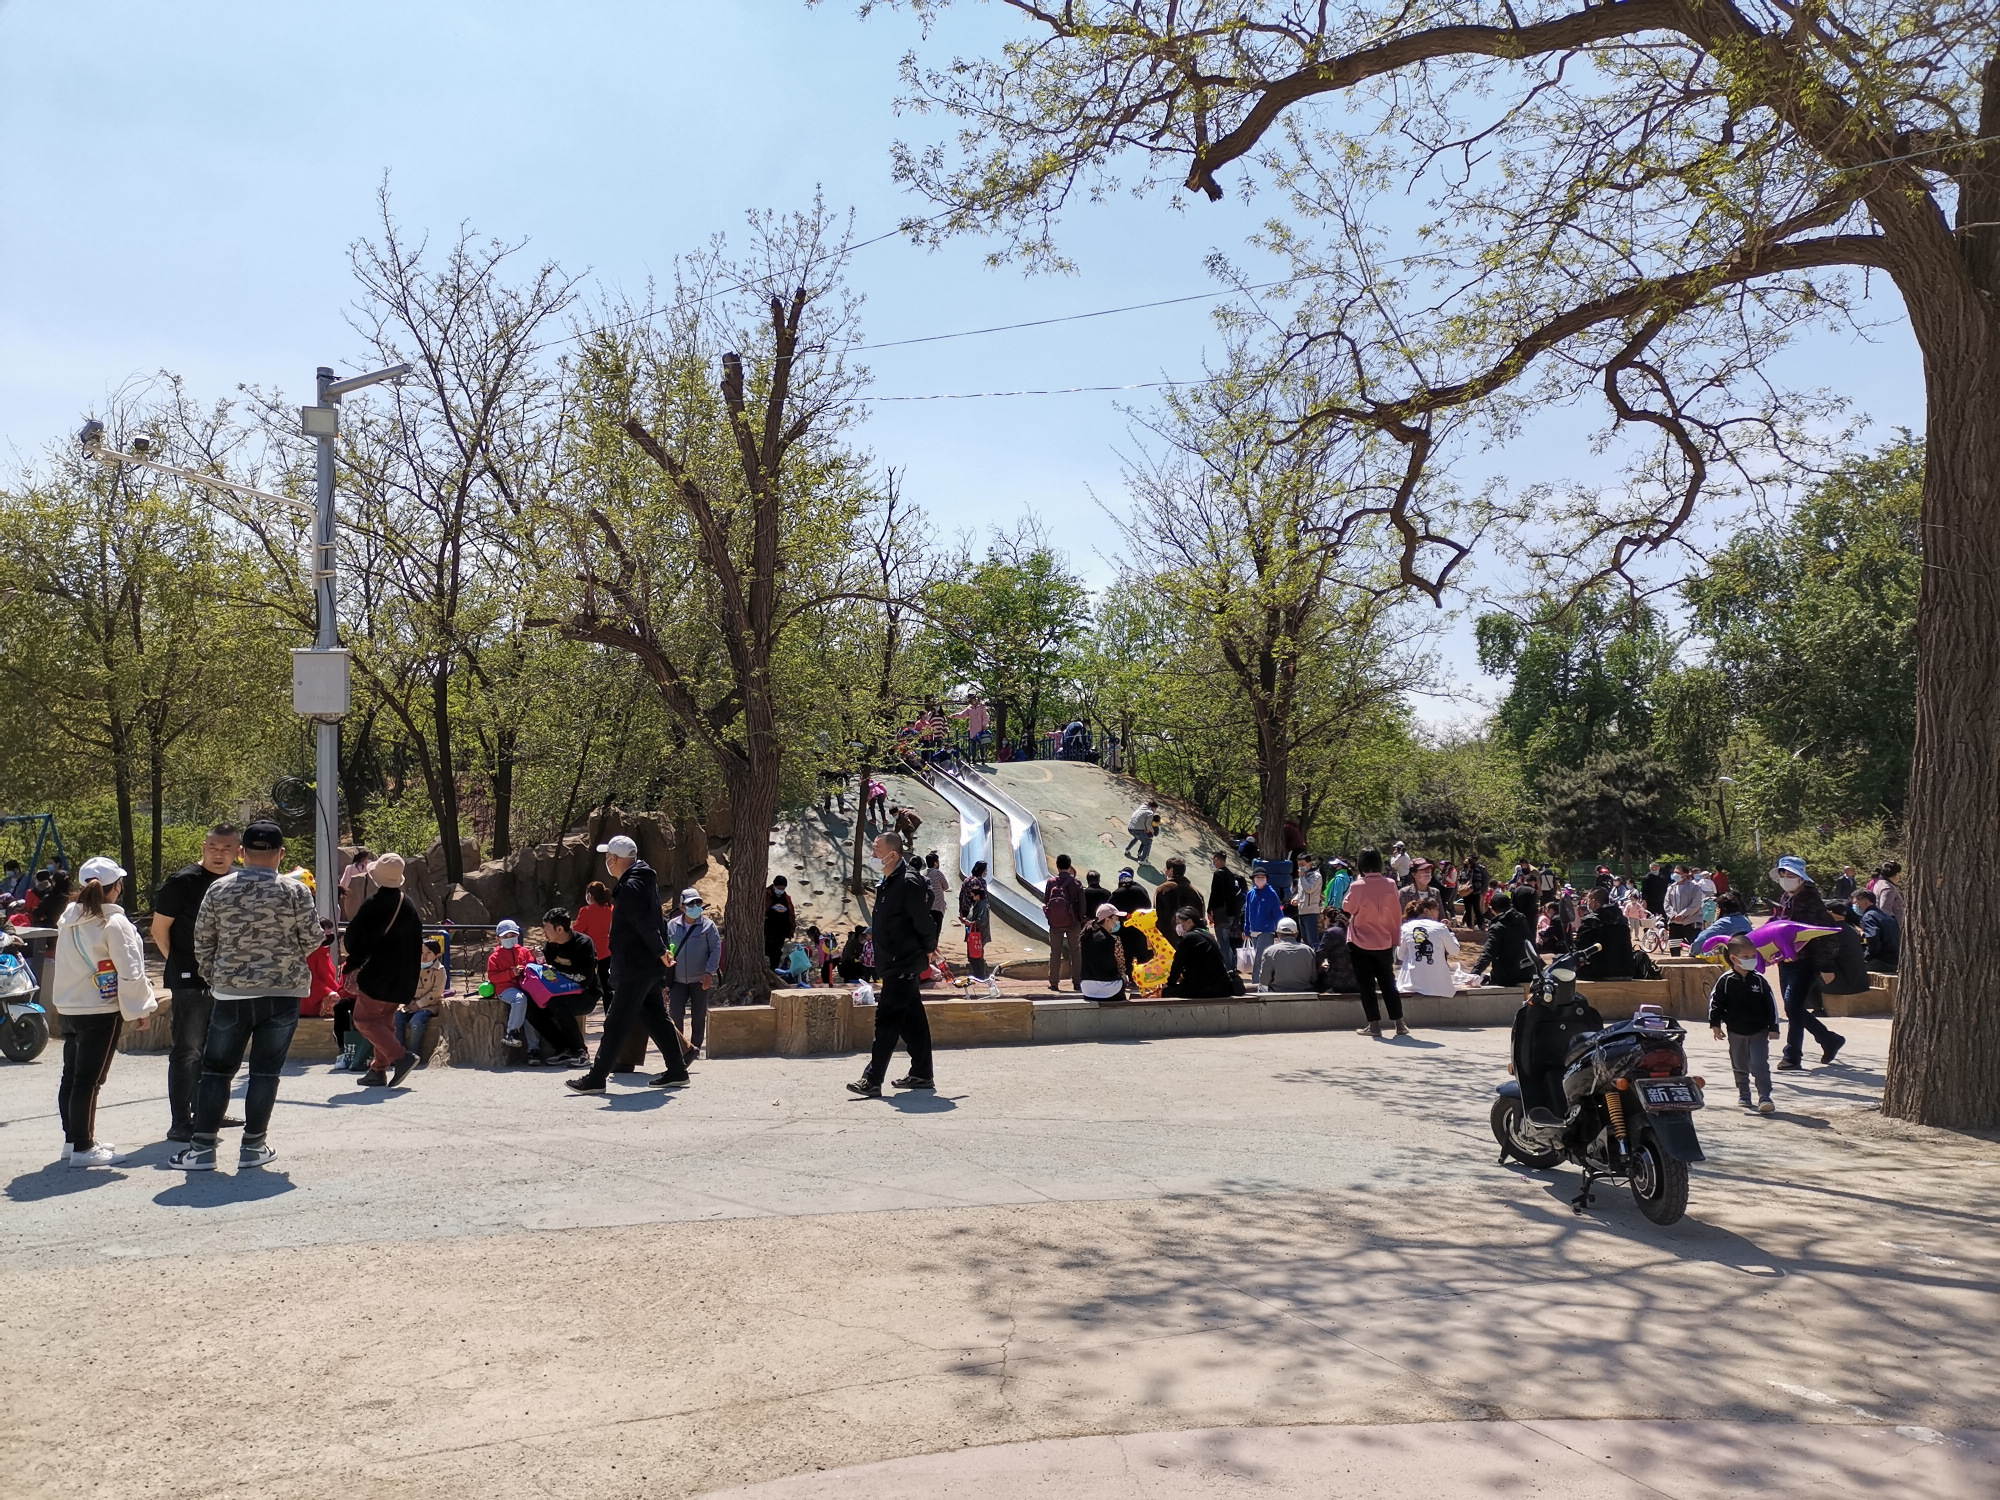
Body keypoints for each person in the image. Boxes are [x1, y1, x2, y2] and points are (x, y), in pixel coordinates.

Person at [170, 822, 321, 1171]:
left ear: (242, 853)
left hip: (230, 994)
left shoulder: (218, 889)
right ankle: (254, 1147)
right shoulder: (296, 891)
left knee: (217, 1071)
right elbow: (313, 939)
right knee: (266, 1073)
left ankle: (202, 1149)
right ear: (281, 854)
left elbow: (202, 940)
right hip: (283, 994)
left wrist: (214, 977)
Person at [51, 856, 157, 1166]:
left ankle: (73, 1140)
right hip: (99, 1008)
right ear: (117, 887)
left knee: (72, 1076)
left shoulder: (68, 919)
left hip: (69, 1006)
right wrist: (141, 1007)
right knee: (90, 1080)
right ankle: (84, 1148)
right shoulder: (115, 922)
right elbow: (131, 970)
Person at [566, 834, 691, 1094]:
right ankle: (677, 1071)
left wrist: (659, 951)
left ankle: (596, 1078)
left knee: (616, 1021)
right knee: (656, 1017)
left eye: (607, 857)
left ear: (615, 858)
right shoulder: (643, 880)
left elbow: (643, 924)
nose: (606, 862)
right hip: (644, 965)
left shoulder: (631, 886)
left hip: (636, 965)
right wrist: (659, 953)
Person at [151, 823, 243, 1144]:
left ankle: (209, 1113)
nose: (219, 854)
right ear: (204, 847)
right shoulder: (183, 882)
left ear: (238, 852)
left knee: (219, 1051)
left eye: (226, 848)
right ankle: (180, 1122)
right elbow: (159, 930)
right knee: (188, 1050)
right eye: (213, 847)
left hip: (229, 983)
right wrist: (180, 964)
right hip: (190, 983)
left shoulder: (241, 882)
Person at [847, 832, 938, 1096]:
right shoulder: (889, 881)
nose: (873, 855)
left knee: (886, 1021)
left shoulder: (908, 883)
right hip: (894, 963)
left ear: (893, 854)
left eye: (877, 850)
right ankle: (922, 1074)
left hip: (903, 962)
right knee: (913, 1022)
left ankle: (872, 1079)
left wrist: (929, 949)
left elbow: (924, 922)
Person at [339, 851, 424, 1089]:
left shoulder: (374, 905)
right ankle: (377, 1070)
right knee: (385, 1022)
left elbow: (355, 940)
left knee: (364, 1019)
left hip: (379, 976)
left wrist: (354, 960)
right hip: (403, 978)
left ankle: (400, 1057)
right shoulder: (408, 904)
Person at [1769, 855, 1847, 1071]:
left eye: (1790, 874)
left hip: (1806, 962)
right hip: (1786, 960)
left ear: (1802, 878)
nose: (1786, 878)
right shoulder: (1786, 898)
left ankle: (1793, 1055)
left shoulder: (1812, 903)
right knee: (1792, 1008)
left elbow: (1826, 935)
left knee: (1793, 1007)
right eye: (1783, 874)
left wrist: (1826, 965)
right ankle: (1828, 1039)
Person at [1709, 933, 1780, 1114]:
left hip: (1759, 1031)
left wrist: (1774, 1027)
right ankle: (1744, 1093)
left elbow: (1771, 1005)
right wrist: (1715, 1025)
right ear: (1733, 958)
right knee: (1739, 1064)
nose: (1751, 960)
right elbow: (1716, 1003)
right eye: (1746, 957)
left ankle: (1765, 1096)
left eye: (1753, 956)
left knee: (1759, 1064)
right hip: (1735, 1032)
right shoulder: (1725, 981)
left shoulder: (1759, 981)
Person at [1342, 847, 1405, 1038]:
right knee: (1388, 982)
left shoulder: (1357, 885)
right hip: (1384, 940)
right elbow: (1395, 912)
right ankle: (1399, 1024)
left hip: (1359, 941)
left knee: (1366, 985)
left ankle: (1374, 1025)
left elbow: (1348, 907)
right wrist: (1395, 938)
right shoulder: (1391, 884)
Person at [519, 909, 593, 1067]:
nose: (544, 932)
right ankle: (563, 1049)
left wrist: (561, 972)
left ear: (559, 929)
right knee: (531, 1008)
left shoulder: (583, 943)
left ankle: (581, 1051)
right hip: (556, 993)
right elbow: (546, 969)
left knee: (558, 1004)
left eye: (546, 928)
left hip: (586, 994)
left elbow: (585, 977)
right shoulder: (551, 946)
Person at [665, 888, 721, 1055]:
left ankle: (694, 1049)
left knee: (698, 1016)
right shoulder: (671, 926)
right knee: (675, 1015)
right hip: (677, 981)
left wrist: (709, 972)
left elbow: (716, 950)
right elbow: (665, 951)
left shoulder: (709, 926)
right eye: (691, 904)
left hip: (700, 980)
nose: (695, 906)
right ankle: (679, 1049)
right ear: (682, 907)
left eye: (698, 903)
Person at [488, 919, 537, 1061]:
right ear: (498, 939)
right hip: (506, 989)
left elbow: (533, 968)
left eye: (512, 935)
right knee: (520, 999)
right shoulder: (494, 957)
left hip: (525, 987)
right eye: (505, 936)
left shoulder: (524, 952)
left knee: (532, 1012)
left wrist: (535, 958)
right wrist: (511, 973)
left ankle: (534, 1049)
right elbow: (493, 977)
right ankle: (511, 1032)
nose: (509, 939)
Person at [1397, 895, 1461, 998]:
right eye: (1436, 910)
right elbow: (1455, 951)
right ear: (1427, 910)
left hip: (1410, 983)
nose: (1438, 913)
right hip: (1438, 985)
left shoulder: (1406, 927)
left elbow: (1400, 956)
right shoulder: (1441, 927)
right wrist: (1450, 931)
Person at [1471, 889, 1537, 988]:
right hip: (1528, 971)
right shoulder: (1522, 920)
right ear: (1510, 905)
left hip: (1508, 976)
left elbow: (1489, 952)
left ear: (1491, 909)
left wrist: (1475, 973)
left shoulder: (1498, 926)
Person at [1161, 907, 1233, 998]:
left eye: (1179, 923)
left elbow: (1177, 964)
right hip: (1222, 987)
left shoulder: (1188, 938)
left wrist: (1170, 983)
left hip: (1205, 989)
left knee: (1166, 992)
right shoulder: (1207, 934)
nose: (1178, 927)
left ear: (1190, 922)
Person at [397, 937, 447, 1063]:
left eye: (428, 953)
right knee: (396, 1019)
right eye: (421, 953)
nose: (424, 957)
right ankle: (399, 1054)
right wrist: (408, 1002)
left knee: (417, 1022)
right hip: (410, 1004)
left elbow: (436, 992)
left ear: (436, 955)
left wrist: (419, 1004)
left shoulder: (439, 971)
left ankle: (414, 1054)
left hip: (428, 1005)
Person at [1044, 853, 1088, 993]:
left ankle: (1054, 983)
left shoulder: (1051, 882)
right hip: (1073, 923)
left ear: (1057, 866)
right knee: (1075, 952)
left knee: (1055, 952)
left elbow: (1046, 901)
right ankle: (1076, 982)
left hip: (1055, 923)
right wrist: (1080, 921)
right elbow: (1082, 906)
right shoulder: (1076, 883)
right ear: (1070, 866)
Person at [1078, 903, 1136, 1001]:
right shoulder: (1114, 939)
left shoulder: (1085, 937)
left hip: (1087, 989)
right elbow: (1121, 967)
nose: (1118, 922)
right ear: (1107, 920)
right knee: (1124, 978)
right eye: (1116, 919)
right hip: (1109, 991)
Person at [1573, 887, 1634, 980]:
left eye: (1588, 901)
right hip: (1626, 971)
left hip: (1598, 972)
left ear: (1594, 902)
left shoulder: (1591, 920)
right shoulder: (1622, 919)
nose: (1587, 904)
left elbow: (1579, 947)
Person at [572, 881, 615, 1008]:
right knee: (609, 990)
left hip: (593, 956)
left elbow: (576, 932)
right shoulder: (611, 909)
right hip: (610, 953)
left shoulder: (586, 911)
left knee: (589, 987)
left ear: (590, 895)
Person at [1257, 915, 1319, 992]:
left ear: (1278, 933)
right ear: (1296, 934)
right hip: (1304, 992)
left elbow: (1264, 980)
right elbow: (1314, 977)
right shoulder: (1308, 950)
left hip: (1277, 993)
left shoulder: (1270, 951)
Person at [1207, 851, 1246, 969]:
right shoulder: (1231, 875)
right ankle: (1232, 965)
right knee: (1227, 941)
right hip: (1231, 912)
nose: (1214, 862)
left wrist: (1210, 909)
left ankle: (1229, 968)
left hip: (1221, 912)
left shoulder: (1218, 874)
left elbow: (1215, 893)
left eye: (1214, 860)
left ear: (1217, 860)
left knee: (1223, 941)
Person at [1150, 858, 1200, 949]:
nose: (1165, 872)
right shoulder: (1196, 893)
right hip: (1189, 943)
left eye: (1166, 869)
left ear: (1171, 870)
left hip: (1164, 942)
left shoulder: (1163, 889)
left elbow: (1155, 915)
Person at [1242, 868, 1283, 973]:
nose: (1260, 879)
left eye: (1262, 877)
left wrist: (1282, 929)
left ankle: (1258, 983)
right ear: (1253, 879)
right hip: (1253, 931)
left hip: (1266, 931)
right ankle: (1258, 983)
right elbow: (1247, 913)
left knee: (1260, 958)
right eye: (1257, 877)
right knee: (1256, 958)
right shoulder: (1250, 894)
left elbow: (1277, 913)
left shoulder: (1271, 894)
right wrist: (1246, 930)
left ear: (1266, 879)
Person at [1852, 887, 1900, 971]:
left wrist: (1868, 956)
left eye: (1856, 903)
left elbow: (1873, 938)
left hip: (1881, 961)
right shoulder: (1885, 916)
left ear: (1866, 902)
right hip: (1894, 960)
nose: (1855, 906)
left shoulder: (1868, 916)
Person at [1663, 864, 1705, 951]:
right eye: (1674, 872)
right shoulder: (1671, 888)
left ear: (1685, 874)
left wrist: (1682, 915)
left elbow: (1695, 905)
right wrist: (1673, 915)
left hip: (1690, 922)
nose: (1675, 874)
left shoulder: (1694, 887)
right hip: (1674, 923)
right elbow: (1666, 904)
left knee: (1696, 949)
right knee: (1674, 949)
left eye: (1677, 873)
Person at [1314, 913, 1358, 993]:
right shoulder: (1353, 932)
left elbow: (1320, 957)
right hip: (1355, 981)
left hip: (1337, 982)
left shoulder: (1331, 932)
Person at [763, 876, 797, 975]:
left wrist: (791, 929)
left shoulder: (786, 898)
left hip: (781, 932)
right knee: (765, 951)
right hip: (767, 931)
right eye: (779, 888)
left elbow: (791, 915)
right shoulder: (766, 895)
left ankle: (773, 972)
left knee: (776, 954)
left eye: (783, 888)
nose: (780, 890)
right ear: (774, 885)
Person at [337, 848, 376, 922]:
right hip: (352, 892)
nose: (367, 860)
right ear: (363, 858)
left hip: (364, 891)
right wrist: (344, 890)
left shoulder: (368, 867)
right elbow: (345, 879)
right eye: (367, 858)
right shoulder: (350, 868)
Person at [923, 853, 952, 952]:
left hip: (927, 908)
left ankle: (928, 951)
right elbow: (946, 886)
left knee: (929, 931)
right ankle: (933, 952)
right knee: (937, 931)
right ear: (935, 863)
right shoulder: (937, 872)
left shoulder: (924, 874)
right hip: (938, 906)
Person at [1293, 854, 1324, 946]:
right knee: (1305, 940)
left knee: (1313, 940)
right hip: (1301, 911)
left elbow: (1309, 889)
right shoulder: (1301, 877)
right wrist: (1296, 899)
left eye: (1302, 864)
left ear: (1309, 864)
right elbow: (1301, 892)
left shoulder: (1316, 876)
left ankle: (1316, 959)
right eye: (1299, 865)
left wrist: (1302, 877)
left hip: (1311, 912)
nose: (1300, 867)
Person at [959, 860, 992, 943]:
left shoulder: (967, 880)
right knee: (979, 935)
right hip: (976, 910)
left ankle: (971, 949)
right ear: (982, 871)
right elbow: (984, 896)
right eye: (985, 870)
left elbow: (961, 896)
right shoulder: (981, 881)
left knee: (970, 934)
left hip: (966, 910)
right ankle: (977, 953)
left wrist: (961, 910)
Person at [1463, 855, 1490, 928]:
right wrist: (1462, 887)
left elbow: (1480, 881)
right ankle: (1469, 925)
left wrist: (1473, 888)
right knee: (1468, 909)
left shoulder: (1478, 870)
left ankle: (1480, 924)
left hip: (1476, 893)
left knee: (1477, 909)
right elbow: (1461, 879)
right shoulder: (1463, 870)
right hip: (1466, 893)